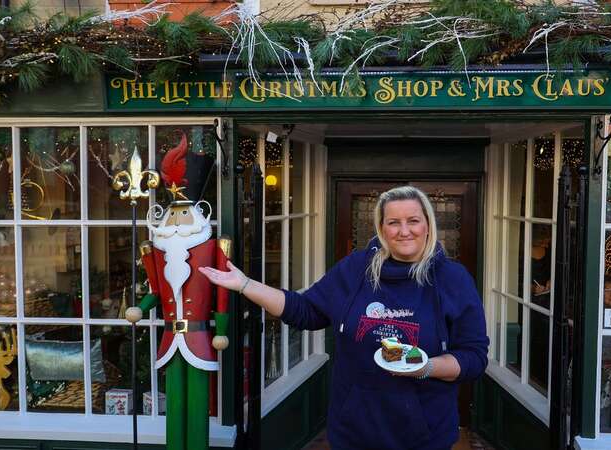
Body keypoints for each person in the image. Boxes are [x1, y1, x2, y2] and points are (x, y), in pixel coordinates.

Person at [199, 185, 489, 450]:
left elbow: (473, 357)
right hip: (354, 430)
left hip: (424, 433)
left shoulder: (452, 279)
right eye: (393, 222)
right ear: (381, 228)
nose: (404, 231)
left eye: (413, 220)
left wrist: (425, 367)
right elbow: (305, 311)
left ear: (427, 225)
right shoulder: (355, 269)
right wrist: (245, 284)